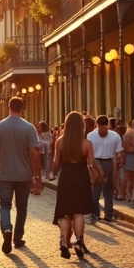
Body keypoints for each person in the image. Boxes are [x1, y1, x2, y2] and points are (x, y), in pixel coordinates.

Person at [0, 97, 42, 254]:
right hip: (23, 176)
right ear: (22, 108)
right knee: (22, 207)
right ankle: (17, 237)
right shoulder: (29, 128)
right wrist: (37, 176)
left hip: (4, 174)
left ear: (8, 107)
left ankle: (6, 229)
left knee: (4, 205)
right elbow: (34, 153)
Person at [52, 111, 95, 259]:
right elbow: (91, 163)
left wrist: (52, 173)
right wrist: (96, 176)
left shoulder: (60, 142)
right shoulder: (86, 143)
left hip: (66, 177)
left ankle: (64, 240)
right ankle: (78, 241)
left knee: (64, 212)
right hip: (81, 177)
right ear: (81, 126)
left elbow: (56, 163)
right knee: (78, 212)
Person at [86, 115, 119, 223]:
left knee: (108, 190)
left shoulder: (115, 136)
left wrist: (115, 171)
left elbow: (116, 154)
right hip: (95, 162)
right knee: (95, 190)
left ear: (108, 126)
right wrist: (90, 166)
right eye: (101, 128)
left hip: (108, 161)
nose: (103, 130)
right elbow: (88, 153)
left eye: (105, 127)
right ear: (97, 126)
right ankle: (95, 213)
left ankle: (108, 214)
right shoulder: (90, 136)